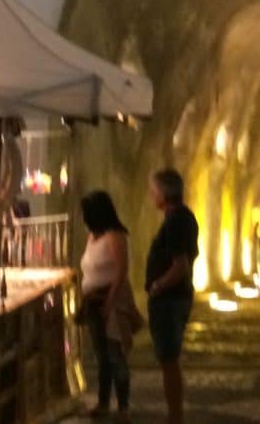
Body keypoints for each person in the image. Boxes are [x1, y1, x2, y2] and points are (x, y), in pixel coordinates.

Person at [79, 190, 142, 420]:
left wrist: (111, 301)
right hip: (93, 302)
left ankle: (123, 406)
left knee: (116, 354)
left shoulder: (115, 236)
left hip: (112, 302)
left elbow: (121, 270)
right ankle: (103, 402)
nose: (84, 219)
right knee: (101, 355)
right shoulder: (93, 236)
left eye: (87, 214)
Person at [144, 169, 199, 424]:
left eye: (153, 190)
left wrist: (157, 286)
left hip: (170, 300)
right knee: (169, 359)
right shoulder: (183, 217)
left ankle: (175, 417)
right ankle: (174, 415)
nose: (151, 195)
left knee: (169, 360)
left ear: (165, 194)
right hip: (176, 297)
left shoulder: (177, 221)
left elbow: (181, 264)